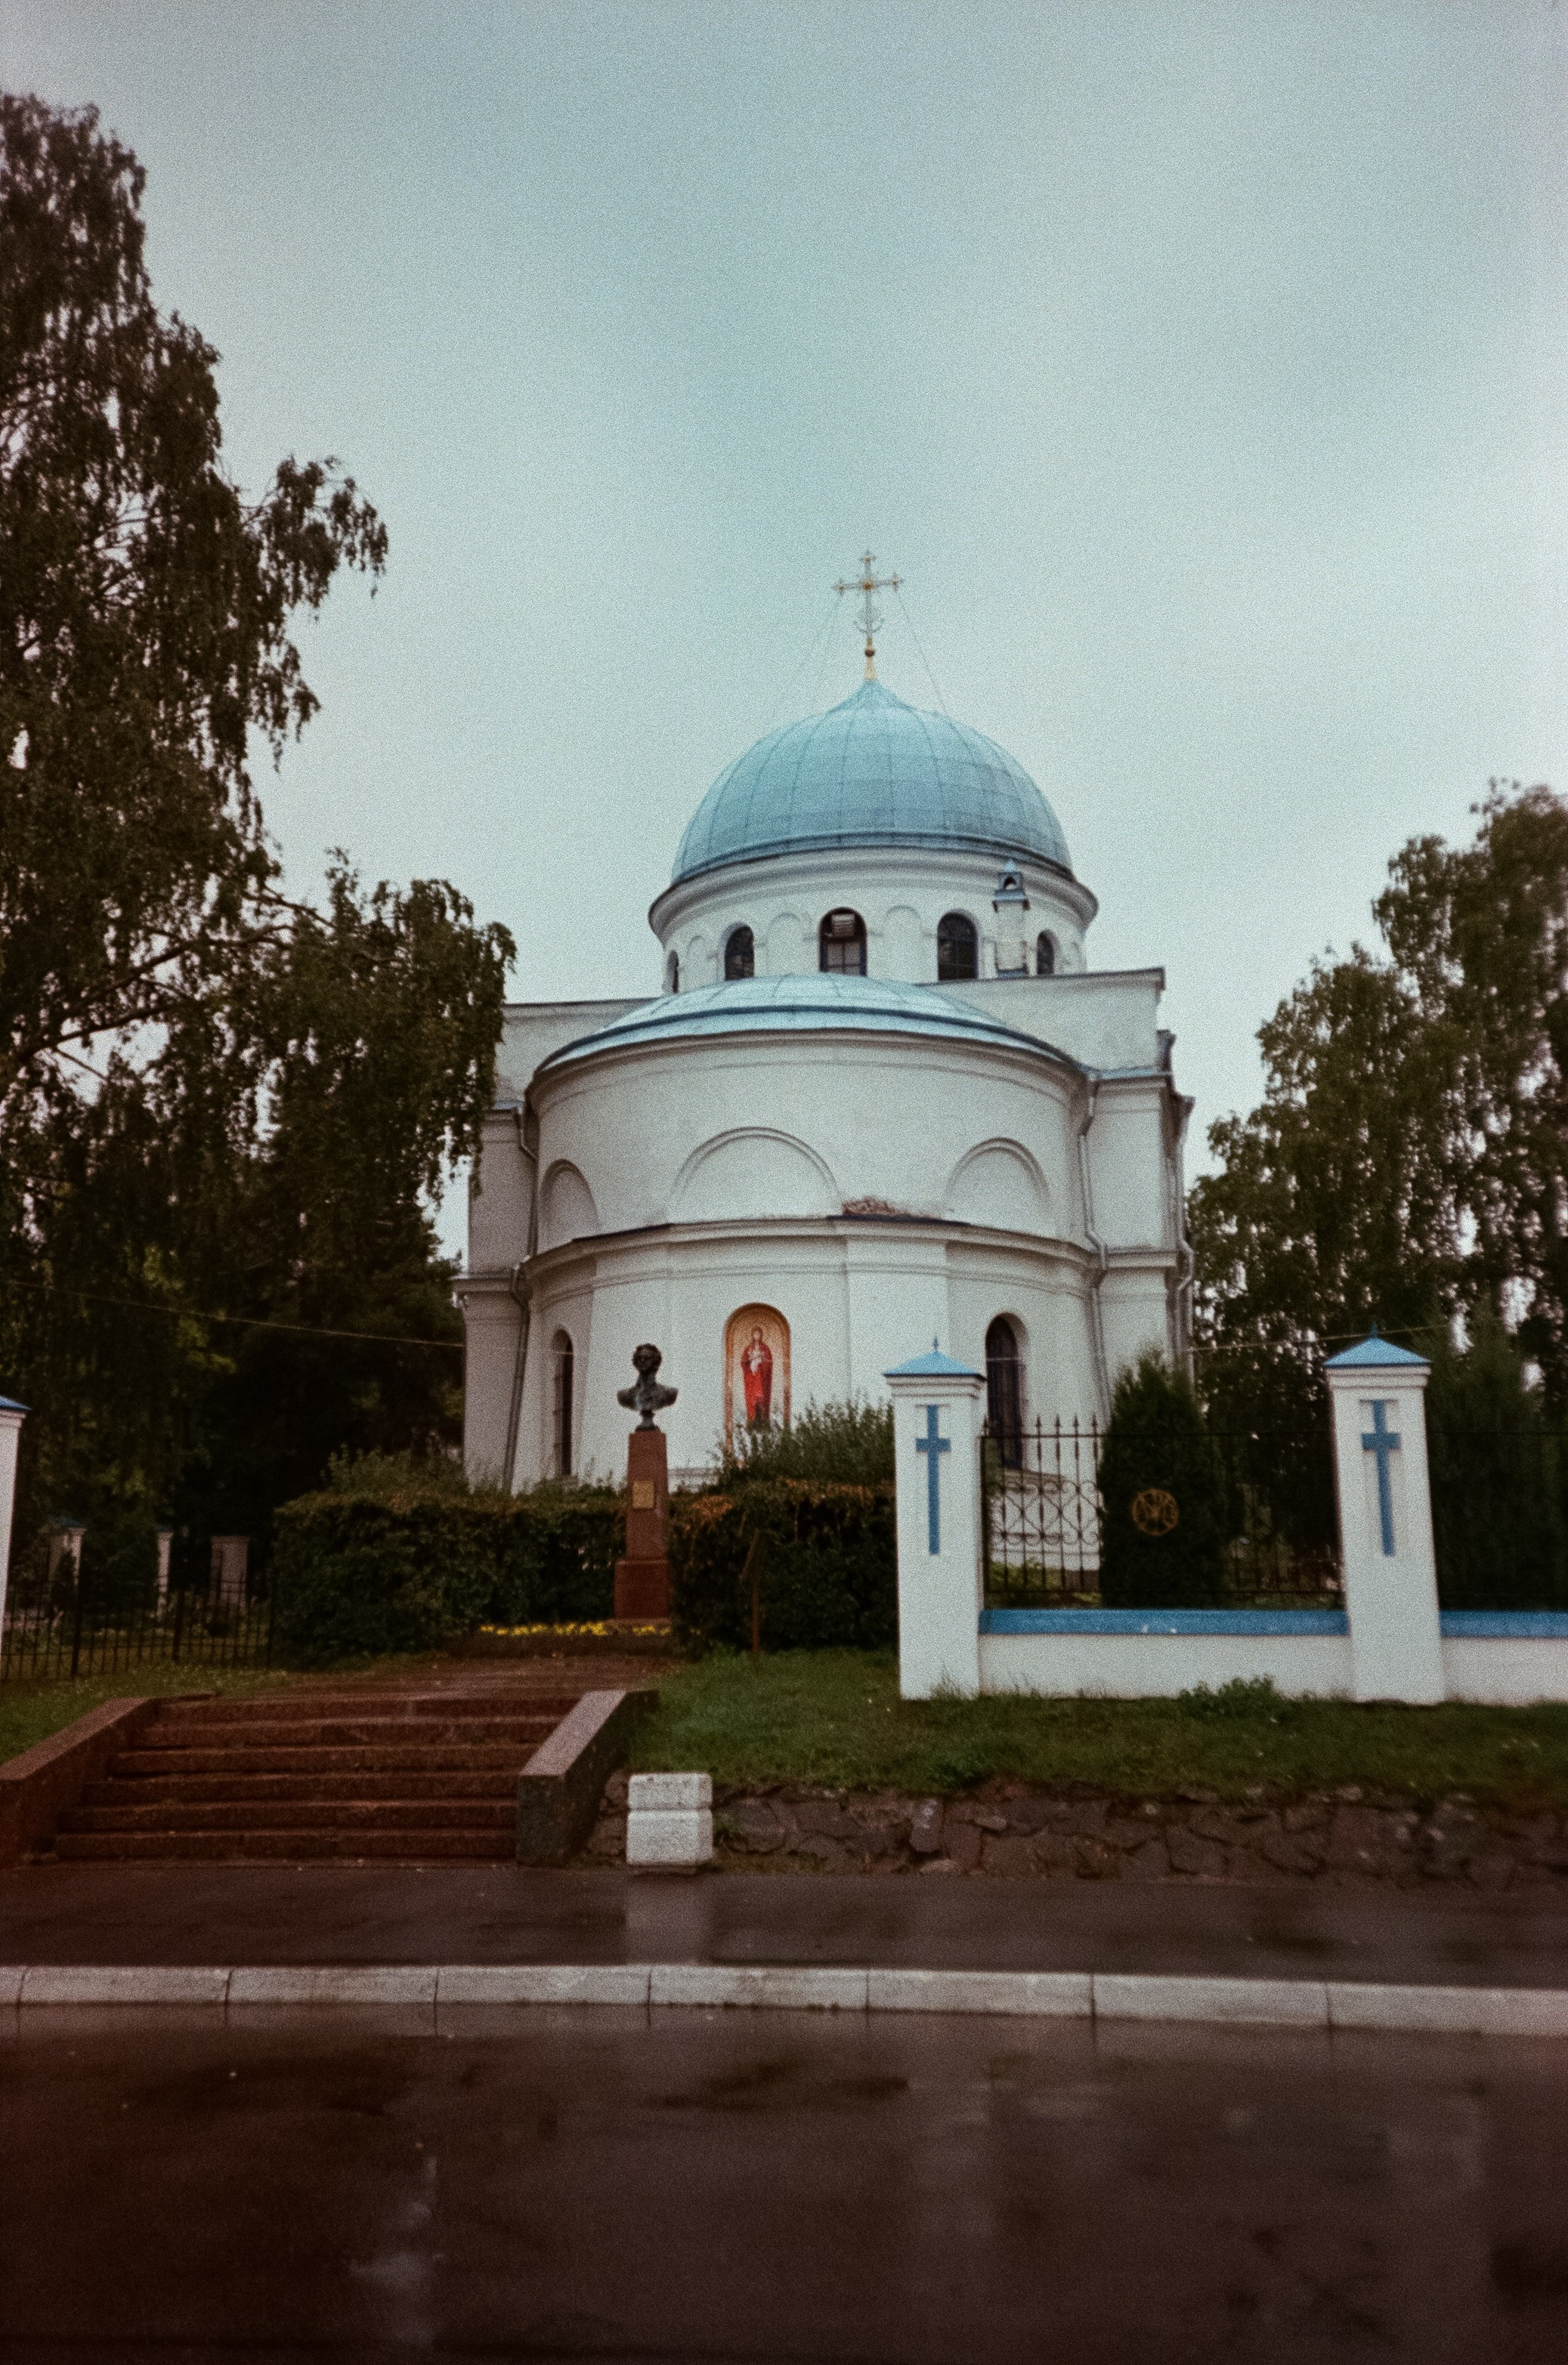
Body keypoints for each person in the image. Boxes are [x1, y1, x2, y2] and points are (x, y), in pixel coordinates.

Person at [740, 1326, 773, 1428]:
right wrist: (750, 1359)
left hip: (761, 1378)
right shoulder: (748, 1349)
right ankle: (752, 1420)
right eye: (755, 1334)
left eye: (759, 1334)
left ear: (761, 1335)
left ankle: (763, 1420)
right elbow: (743, 1362)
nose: (757, 1336)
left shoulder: (765, 1349)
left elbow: (770, 1363)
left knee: (761, 1398)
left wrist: (762, 1361)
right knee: (752, 1399)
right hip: (752, 1379)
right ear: (752, 1335)